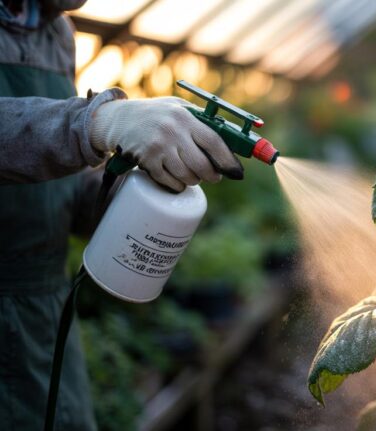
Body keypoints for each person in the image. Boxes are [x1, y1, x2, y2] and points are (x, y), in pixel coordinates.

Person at [0, 1, 243, 429]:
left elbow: (55, 188)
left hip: (43, 315)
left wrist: (133, 197)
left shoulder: (56, 33)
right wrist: (101, 122)